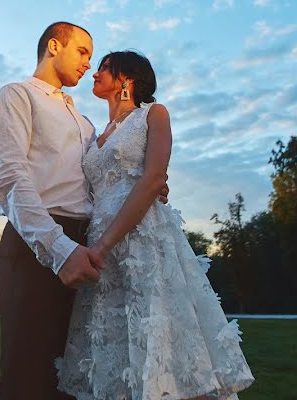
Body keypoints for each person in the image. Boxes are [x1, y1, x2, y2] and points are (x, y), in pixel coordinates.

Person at [56, 51, 254, 400]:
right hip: (101, 244)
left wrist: (102, 247)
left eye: (103, 68)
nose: (94, 74)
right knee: (115, 342)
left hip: (141, 241)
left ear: (127, 79)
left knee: (160, 338)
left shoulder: (153, 114)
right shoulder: (95, 135)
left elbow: (153, 177)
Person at [0, 22, 106, 400]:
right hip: (37, 243)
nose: (89, 63)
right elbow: (10, 178)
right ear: (54, 46)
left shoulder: (85, 122)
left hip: (88, 248)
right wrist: (59, 249)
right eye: (83, 51)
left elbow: (100, 183)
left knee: (76, 378)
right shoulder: (16, 96)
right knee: (30, 377)